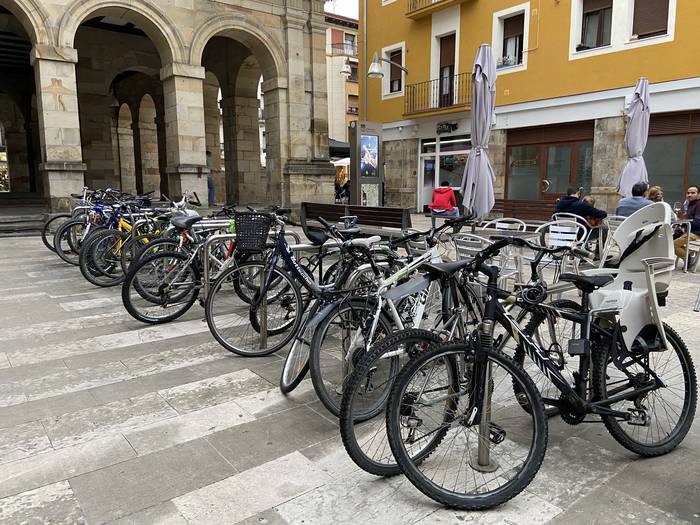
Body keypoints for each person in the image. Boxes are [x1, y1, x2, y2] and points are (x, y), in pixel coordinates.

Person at [674, 185, 700, 269]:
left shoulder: (699, 204)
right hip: (689, 231)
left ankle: (688, 258)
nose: (689, 195)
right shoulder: (690, 204)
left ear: (699, 194)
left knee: (673, 244)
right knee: (670, 239)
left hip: (696, 233)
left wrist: (683, 223)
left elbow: (697, 222)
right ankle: (689, 256)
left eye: (693, 193)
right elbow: (689, 218)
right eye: (688, 193)